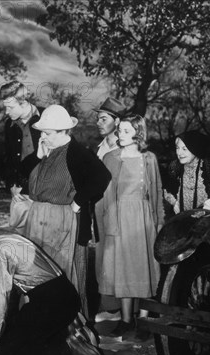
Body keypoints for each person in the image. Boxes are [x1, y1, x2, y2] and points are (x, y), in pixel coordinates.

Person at [0, 212, 105, 355]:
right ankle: (68, 333)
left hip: (52, 303)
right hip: (61, 296)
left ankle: (69, 349)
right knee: (14, 341)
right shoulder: (5, 238)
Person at [22, 104, 111, 317]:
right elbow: (22, 172)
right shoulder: (46, 149)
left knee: (65, 276)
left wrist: (79, 201)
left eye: (47, 133)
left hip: (64, 226)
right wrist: (38, 155)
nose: (42, 136)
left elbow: (102, 177)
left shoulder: (77, 152)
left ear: (63, 132)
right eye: (41, 132)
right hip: (39, 222)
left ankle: (69, 332)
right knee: (38, 276)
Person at [95, 114, 165, 338]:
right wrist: (105, 224)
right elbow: (103, 195)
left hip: (143, 219)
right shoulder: (110, 157)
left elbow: (156, 192)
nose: (120, 135)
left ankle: (143, 321)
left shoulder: (150, 159)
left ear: (139, 132)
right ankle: (126, 321)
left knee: (143, 266)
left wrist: (159, 221)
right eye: (119, 131)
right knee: (124, 268)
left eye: (126, 131)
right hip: (119, 218)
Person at [92, 97, 127, 323]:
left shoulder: (123, 149)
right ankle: (109, 305)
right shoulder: (101, 147)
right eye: (98, 118)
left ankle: (117, 310)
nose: (98, 122)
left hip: (117, 209)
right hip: (99, 208)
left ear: (117, 121)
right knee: (102, 256)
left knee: (116, 257)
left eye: (103, 118)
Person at [163, 130, 210, 216]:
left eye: (184, 149)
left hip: (207, 219)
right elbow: (167, 190)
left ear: (195, 149)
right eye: (177, 148)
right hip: (182, 218)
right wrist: (174, 202)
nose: (179, 153)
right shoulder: (174, 166)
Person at [0, 81, 42, 194]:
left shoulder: (46, 116)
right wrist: (11, 185)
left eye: (10, 107)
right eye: (5, 107)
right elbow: (9, 157)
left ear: (23, 102)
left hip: (46, 188)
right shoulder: (9, 124)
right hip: (20, 191)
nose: (6, 112)